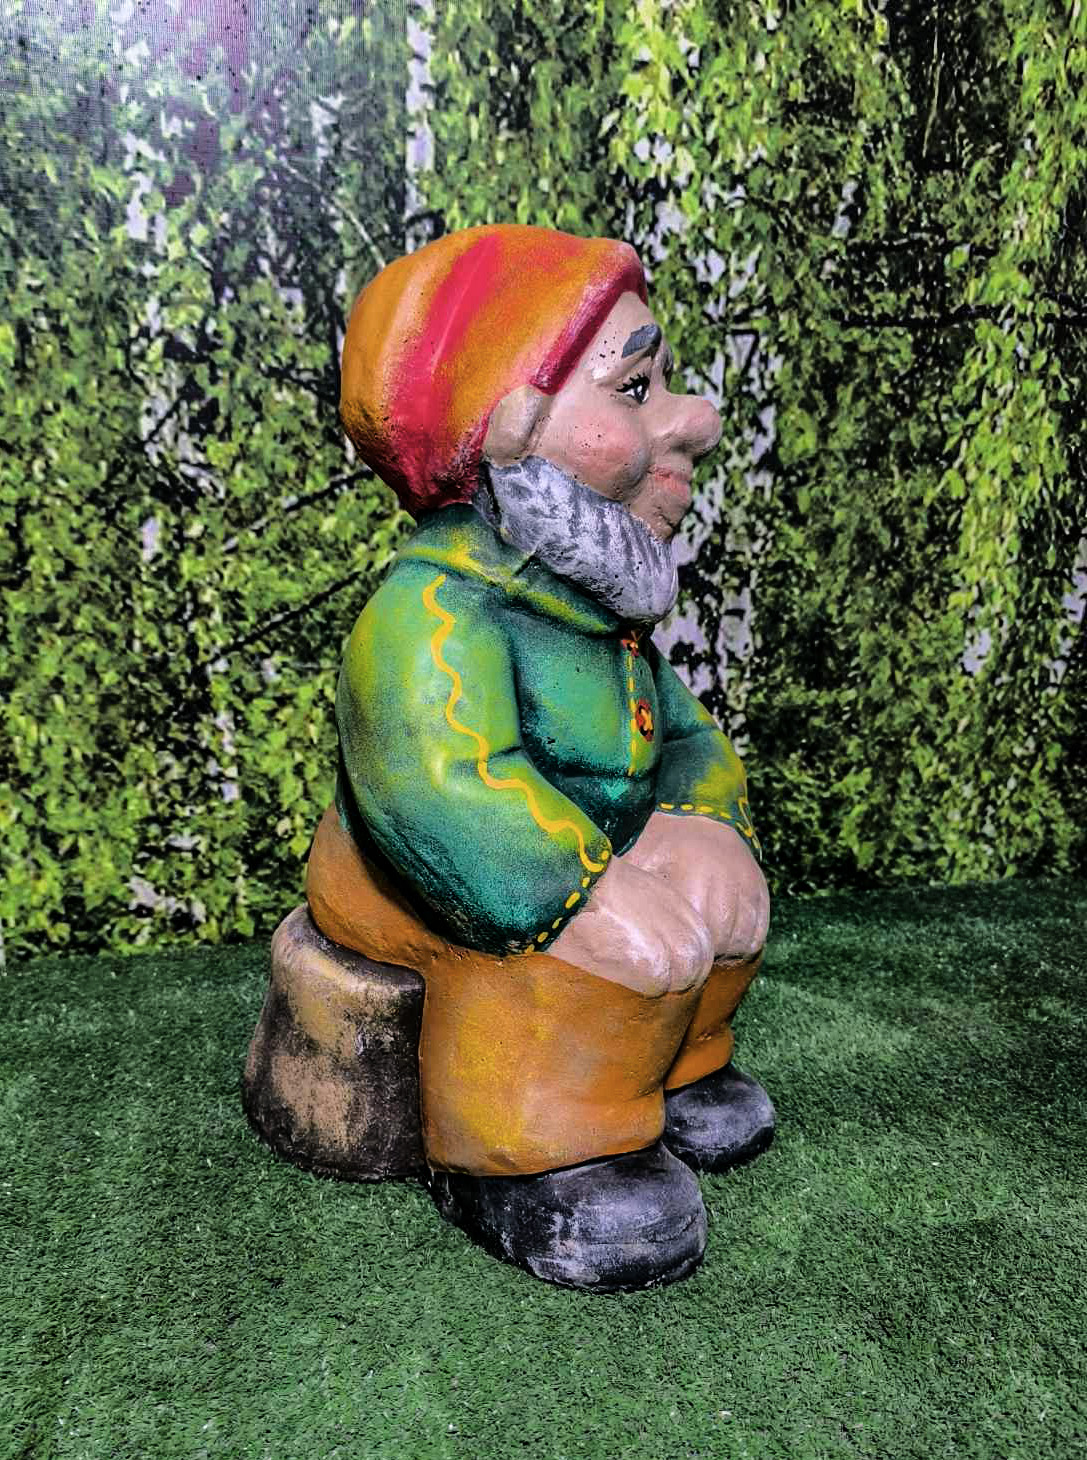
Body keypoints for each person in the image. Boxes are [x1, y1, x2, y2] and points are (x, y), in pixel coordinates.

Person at [306, 224, 772, 1291]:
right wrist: (574, 887)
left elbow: (681, 735)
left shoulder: (591, 608)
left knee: (722, 899)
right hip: (461, 876)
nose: (692, 421)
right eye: (635, 388)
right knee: (609, 941)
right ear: (511, 424)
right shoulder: (433, 613)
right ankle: (534, 1148)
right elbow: (440, 789)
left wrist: (700, 816)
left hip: (588, 844)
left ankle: (677, 1066)